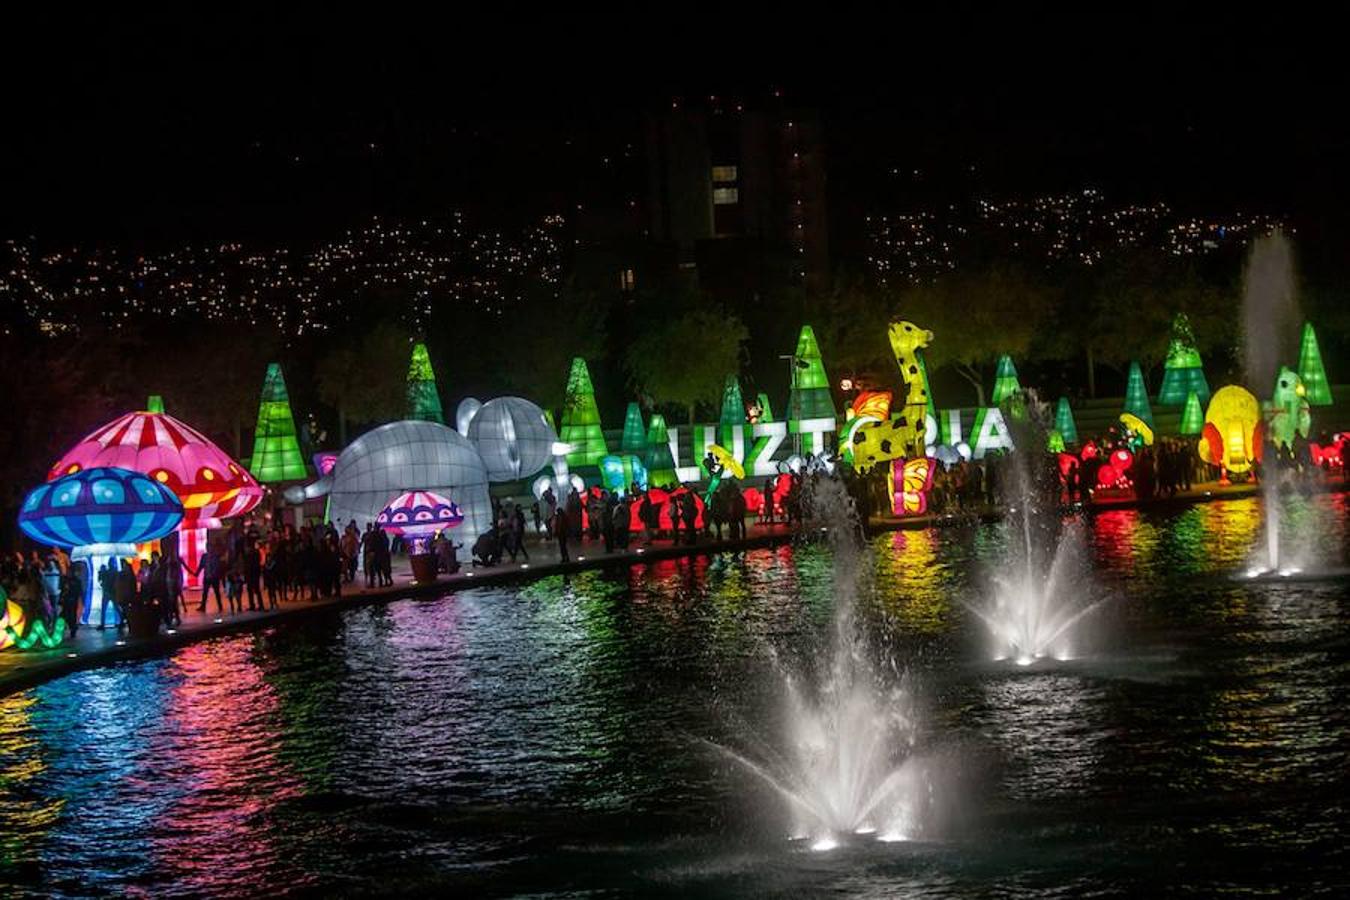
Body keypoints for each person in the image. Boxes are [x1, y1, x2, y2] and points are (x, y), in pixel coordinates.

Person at [198, 542, 225, 613]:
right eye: (207, 547)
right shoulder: (204, 556)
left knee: (217, 592)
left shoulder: (216, 556)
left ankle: (220, 606)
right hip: (207, 576)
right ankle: (203, 606)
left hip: (214, 577)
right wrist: (197, 572)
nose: (208, 548)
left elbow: (218, 566)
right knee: (205, 593)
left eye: (210, 547)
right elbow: (201, 566)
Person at [244, 541, 263, 611]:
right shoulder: (255, 553)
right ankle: (257, 605)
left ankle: (257, 605)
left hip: (252, 574)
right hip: (253, 573)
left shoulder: (253, 553)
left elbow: (249, 565)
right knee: (254, 590)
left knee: (254, 590)